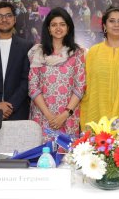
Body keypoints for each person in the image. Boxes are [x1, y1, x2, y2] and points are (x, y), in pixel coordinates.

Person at [28, 7, 86, 140]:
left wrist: (64, 115)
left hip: (68, 116)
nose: (58, 28)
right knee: (42, 157)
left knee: (67, 157)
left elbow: (80, 86)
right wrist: (48, 115)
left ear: (68, 28)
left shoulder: (77, 53)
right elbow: (33, 87)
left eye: (62, 24)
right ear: (48, 28)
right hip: (42, 115)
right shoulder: (38, 52)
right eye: (54, 25)